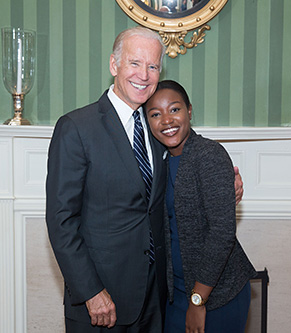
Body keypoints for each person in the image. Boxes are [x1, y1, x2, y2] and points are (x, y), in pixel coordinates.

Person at [46, 27, 244, 332]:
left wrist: (222, 190)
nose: (144, 74)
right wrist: (90, 292)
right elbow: (61, 221)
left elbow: (179, 184)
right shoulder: (76, 128)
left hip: (157, 299)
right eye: (135, 63)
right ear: (114, 65)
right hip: (102, 300)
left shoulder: (157, 129)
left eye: (152, 66)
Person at [144, 80, 256, 333]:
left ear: (189, 111)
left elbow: (222, 233)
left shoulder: (209, 155)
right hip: (176, 294)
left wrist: (198, 301)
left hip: (216, 295)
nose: (166, 120)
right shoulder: (157, 160)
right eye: (155, 114)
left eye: (174, 109)